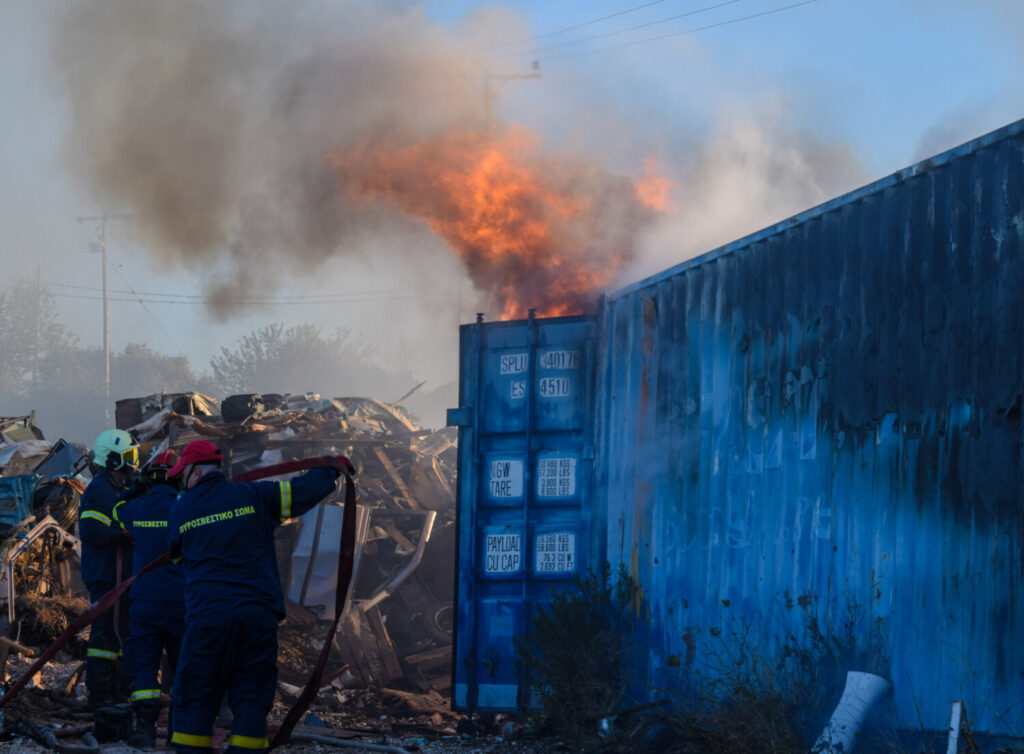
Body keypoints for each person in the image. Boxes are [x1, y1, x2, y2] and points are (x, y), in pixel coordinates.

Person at [165, 439, 341, 754]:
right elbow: (302, 492)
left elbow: (178, 558)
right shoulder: (253, 496)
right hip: (255, 615)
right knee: (251, 693)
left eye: (182, 475)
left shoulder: (181, 508)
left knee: (196, 692)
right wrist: (330, 468)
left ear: (193, 471)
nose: (182, 481)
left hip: (208, 616)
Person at [112, 450, 185, 749]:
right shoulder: (186, 507)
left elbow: (117, 511)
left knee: (144, 665)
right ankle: (178, 731)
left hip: (144, 602)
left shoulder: (136, 508)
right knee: (183, 667)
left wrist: (134, 490)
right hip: (182, 602)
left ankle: (143, 730)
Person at [78, 428, 138, 707]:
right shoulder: (100, 490)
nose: (133, 462)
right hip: (105, 574)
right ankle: (100, 692)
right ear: (113, 460)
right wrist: (123, 534)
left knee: (121, 631)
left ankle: (119, 688)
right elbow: (91, 530)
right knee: (105, 632)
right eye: (128, 455)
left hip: (119, 574)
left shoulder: (118, 488)